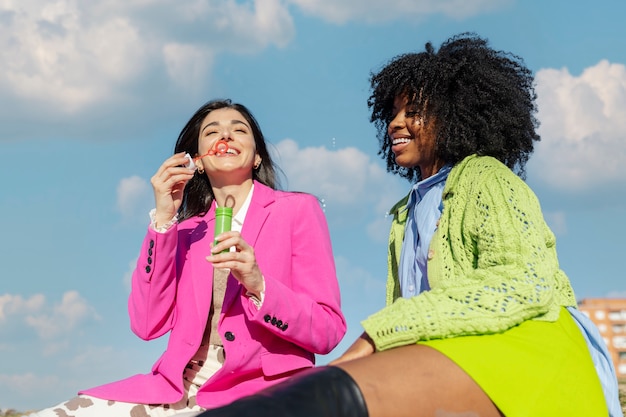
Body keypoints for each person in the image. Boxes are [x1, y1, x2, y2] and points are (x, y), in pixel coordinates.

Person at [191, 33, 623, 417]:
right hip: (454, 359)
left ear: (455, 116)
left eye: (413, 111)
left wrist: (375, 339)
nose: (396, 123)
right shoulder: (405, 213)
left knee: (322, 397)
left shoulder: (486, 178)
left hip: (530, 356)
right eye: (393, 112)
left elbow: (524, 282)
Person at [30, 99, 346, 416]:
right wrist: (164, 220)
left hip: (262, 389)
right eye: (212, 131)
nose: (226, 136)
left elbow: (327, 330)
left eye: (239, 130)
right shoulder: (186, 231)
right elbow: (147, 325)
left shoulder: (297, 210)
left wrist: (259, 285)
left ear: (257, 156)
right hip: (177, 388)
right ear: (197, 160)